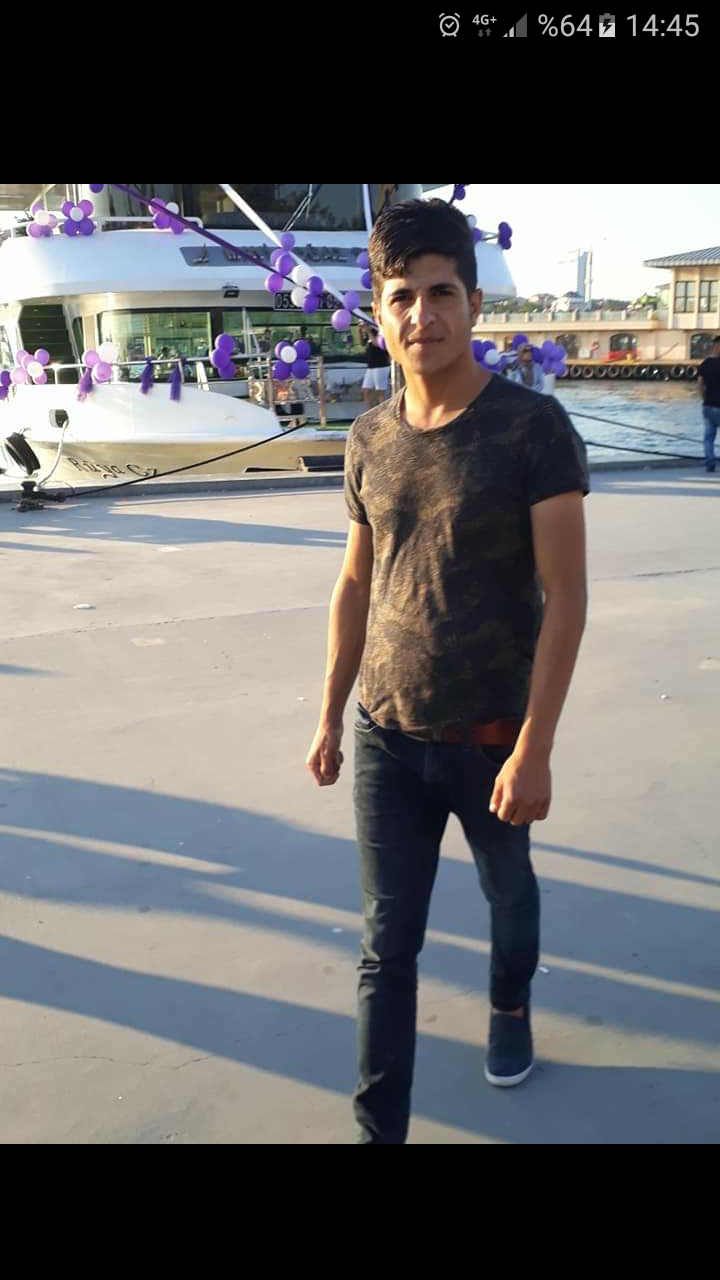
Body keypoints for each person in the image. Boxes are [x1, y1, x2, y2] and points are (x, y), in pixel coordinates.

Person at [306, 198, 589, 1144]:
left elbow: (566, 597)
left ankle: (510, 1005)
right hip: (385, 735)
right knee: (387, 947)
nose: (421, 314)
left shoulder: (532, 429)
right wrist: (328, 714)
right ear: (378, 313)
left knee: (509, 892)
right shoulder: (367, 436)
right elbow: (356, 582)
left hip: (494, 735)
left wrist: (535, 748)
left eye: (440, 293)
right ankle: (377, 1130)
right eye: (402, 297)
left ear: (472, 303)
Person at [698, 336, 720, 473]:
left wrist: (704, 399)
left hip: (708, 405)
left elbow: (700, 384)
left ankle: (710, 463)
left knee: (708, 437)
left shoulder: (705, 363)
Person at [361, 325, 391, 407]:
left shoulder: (380, 333)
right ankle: (369, 411)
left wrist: (368, 331)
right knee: (366, 390)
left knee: (380, 391)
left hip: (381, 366)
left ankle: (383, 410)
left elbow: (377, 344)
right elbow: (362, 343)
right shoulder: (368, 336)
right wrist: (360, 331)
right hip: (371, 366)